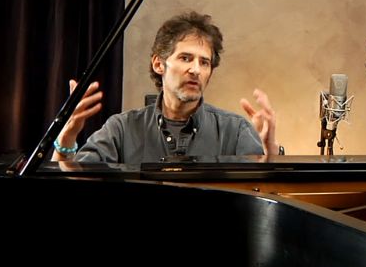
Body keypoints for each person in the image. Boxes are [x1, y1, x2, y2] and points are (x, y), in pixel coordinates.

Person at [51, 11, 279, 163]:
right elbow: (71, 189)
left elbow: (263, 192)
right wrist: (66, 137)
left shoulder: (236, 130)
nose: (196, 70)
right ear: (159, 64)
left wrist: (271, 153)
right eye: (186, 58)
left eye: (204, 62)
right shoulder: (121, 129)